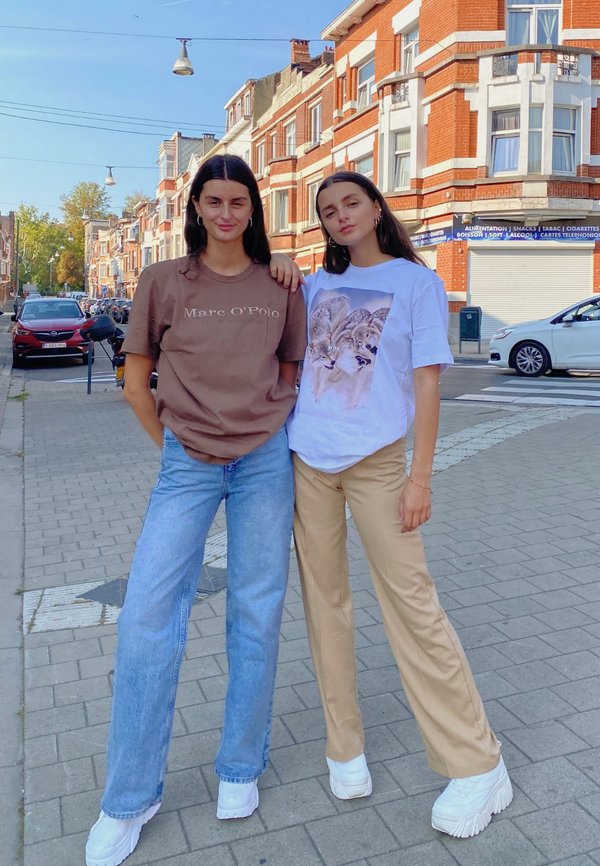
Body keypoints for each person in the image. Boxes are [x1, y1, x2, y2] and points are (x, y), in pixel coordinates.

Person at [85, 154, 306, 866]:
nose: (226, 214)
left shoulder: (282, 284)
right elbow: (136, 378)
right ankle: (129, 798)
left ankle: (240, 767)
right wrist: (175, 443)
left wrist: (265, 421)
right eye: (213, 201)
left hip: (265, 462)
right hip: (188, 465)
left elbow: (293, 369)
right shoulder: (162, 281)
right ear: (195, 208)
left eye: (238, 201)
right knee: (148, 613)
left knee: (257, 608)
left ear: (254, 208)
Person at [286, 171, 513, 839]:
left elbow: (427, 384)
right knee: (324, 606)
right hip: (309, 461)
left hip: (381, 464)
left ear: (377, 207)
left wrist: (422, 477)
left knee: (411, 605)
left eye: (350, 202)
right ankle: (344, 745)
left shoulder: (415, 283)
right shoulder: (316, 286)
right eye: (327, 211)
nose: (339, 216)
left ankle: (478, 762)